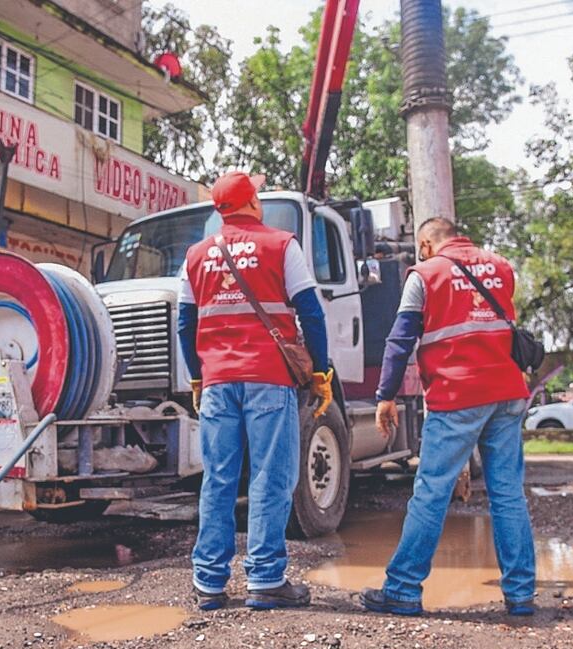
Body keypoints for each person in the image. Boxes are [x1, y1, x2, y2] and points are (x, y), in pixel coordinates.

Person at [362, 217, 536, 617]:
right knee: (508, 493)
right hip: (508, 394)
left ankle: (403, 589)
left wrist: (385, 395)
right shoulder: (501, 265)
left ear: (425, 243)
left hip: (458, 393)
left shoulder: (424, 274)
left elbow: (401, 336)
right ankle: (521, 593)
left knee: (431, 493)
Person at [178, 171, 332, 611]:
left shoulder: (195, 254)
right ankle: (265, 579)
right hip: (268, 379)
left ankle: (209, 583)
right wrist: (319, 372)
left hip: (217, 383)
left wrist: (197, 375)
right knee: (270, 476)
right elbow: (311, 314)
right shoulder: (282, 245)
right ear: (252, 202)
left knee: (219, 478)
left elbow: (185, 323)